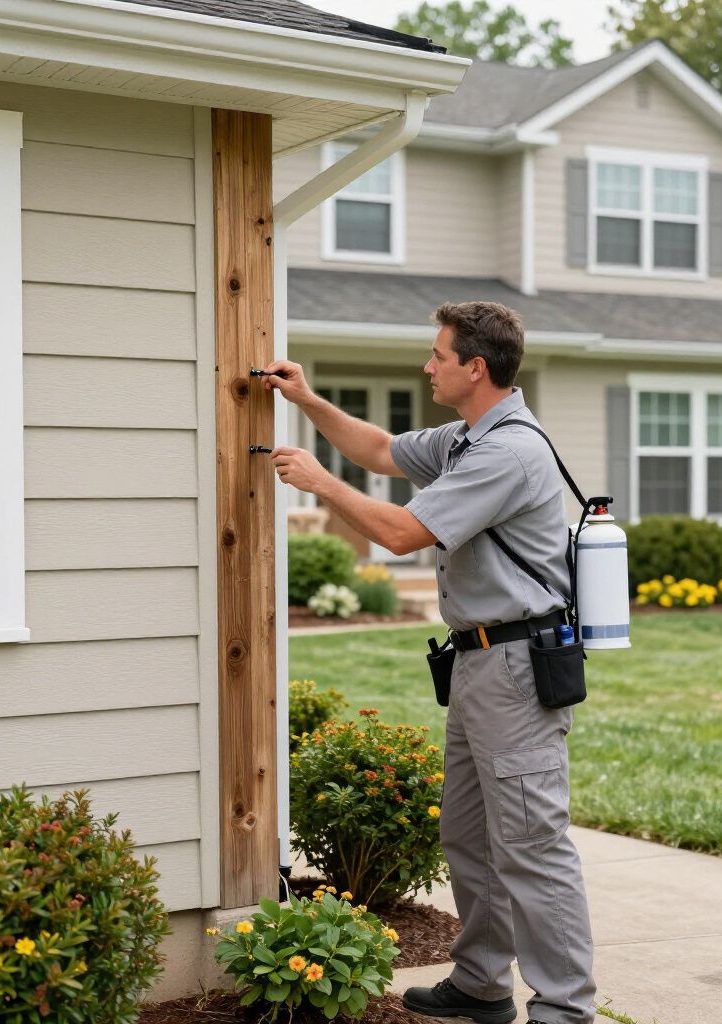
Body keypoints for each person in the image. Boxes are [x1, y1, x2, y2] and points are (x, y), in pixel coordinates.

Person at [261, 301, 596, 1024]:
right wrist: (308, 398)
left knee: (532, 844)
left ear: (475, 368)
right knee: (469, 837)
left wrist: (321, 485)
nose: (427, 365)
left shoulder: (509, 451)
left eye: (438, 355)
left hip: (516, 666)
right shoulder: (467, 438)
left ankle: (565, 1009)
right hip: (478, 664)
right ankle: (480, 984)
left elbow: (406, 532)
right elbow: (382, 450)